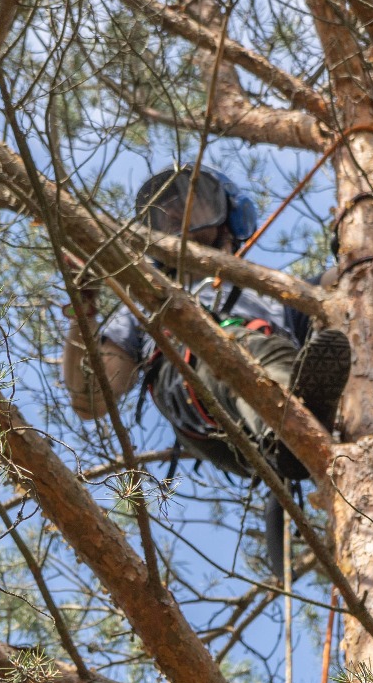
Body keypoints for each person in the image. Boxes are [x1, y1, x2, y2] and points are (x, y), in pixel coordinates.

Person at [62, 165, 351, 483]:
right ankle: (292, 427)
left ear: (228, 212)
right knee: (243, 345)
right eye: (162, 208)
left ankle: (309, 424)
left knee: (307, 344)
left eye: (189, 197)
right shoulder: (143, 299)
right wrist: (83, 307)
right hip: (193, 395)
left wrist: (353, 251)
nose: (172, 211)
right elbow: (89, 401)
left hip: (268, 401)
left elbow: (343, 284)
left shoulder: (273, 292)